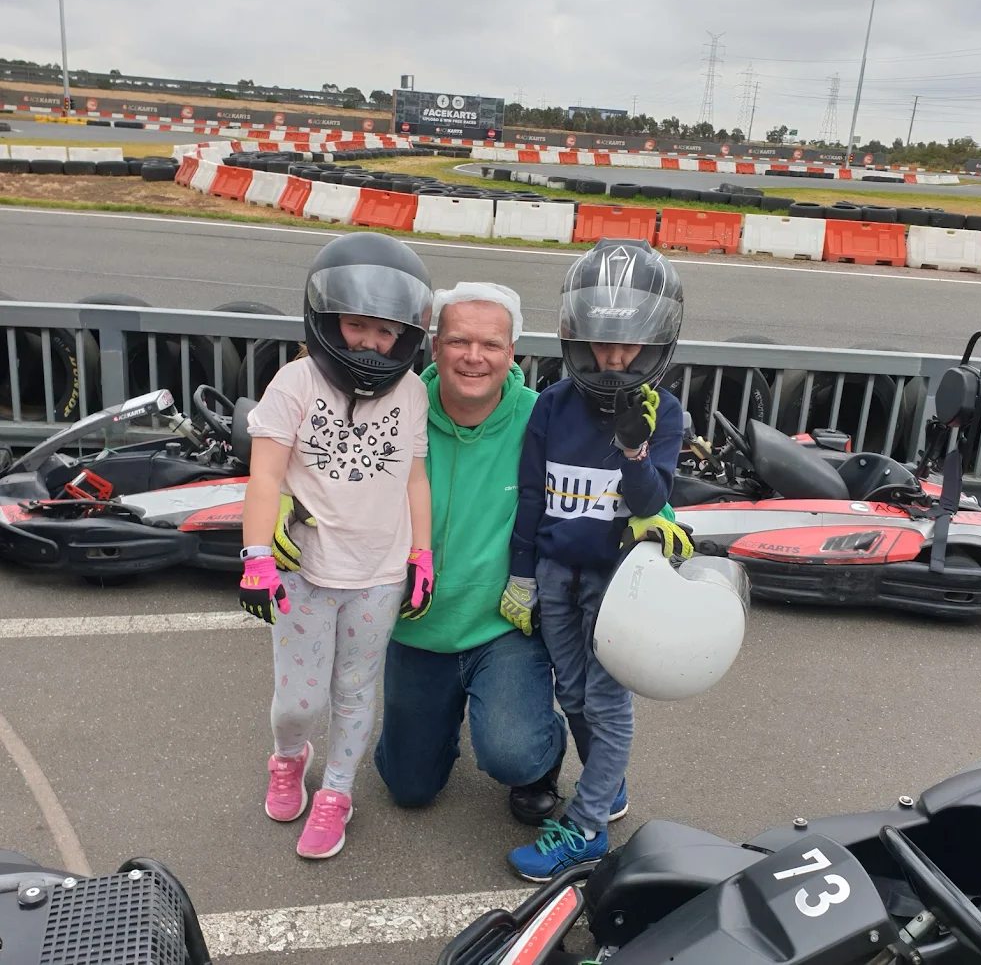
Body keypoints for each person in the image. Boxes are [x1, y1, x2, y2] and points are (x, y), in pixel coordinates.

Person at [238, 232, 436, 860]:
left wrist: (422, 554)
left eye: (386, 331)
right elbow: (265, 475)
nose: (371, 343)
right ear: (327, 321)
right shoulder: (293, 385)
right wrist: (255, 558)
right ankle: (290, 757)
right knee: (298, 701)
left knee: (355, 690)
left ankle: (339, 793)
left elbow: (414, 477)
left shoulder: (412, 392)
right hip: (306, 573)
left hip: (379, 574)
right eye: (356, 325)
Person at [501, 238, 691, 882]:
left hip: (617, 584)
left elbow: (652, 501)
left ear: (655, 342)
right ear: (576, 336)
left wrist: (635, 452)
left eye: (630, 345)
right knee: (572, 692)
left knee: (607, 704)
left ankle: (585, 830)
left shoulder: (665, 414)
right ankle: (607, 790)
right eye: (602, 342)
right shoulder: (552, 404)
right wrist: (522, 574)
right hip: (556, 572)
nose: (614, 358)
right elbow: (531, 496)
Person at [373, 282, 568, 825]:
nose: (474, 357)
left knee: (512, 751)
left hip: (503, 624)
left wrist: (664, 524)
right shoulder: (394, 408)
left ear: (513, 353)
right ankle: (442, 720)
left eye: (491, 345)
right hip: (414, 624)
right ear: (434, 346)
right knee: (407, 787)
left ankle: (540, 747)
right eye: (459, 341)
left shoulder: (545, 417)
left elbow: (602, 479)